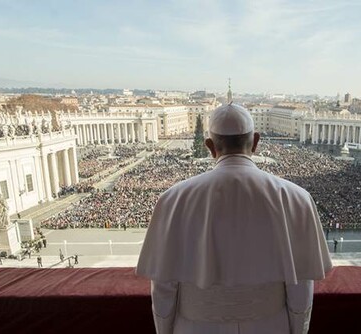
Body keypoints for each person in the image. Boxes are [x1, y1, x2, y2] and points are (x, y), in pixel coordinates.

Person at [137, 103, 332, 334]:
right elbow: (301, 288)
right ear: (256, 142)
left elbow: (163, 288)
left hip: (195, 328)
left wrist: (164, 330)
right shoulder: (297, 198)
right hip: (270, 326)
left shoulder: (173, 199)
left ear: (210, 146)